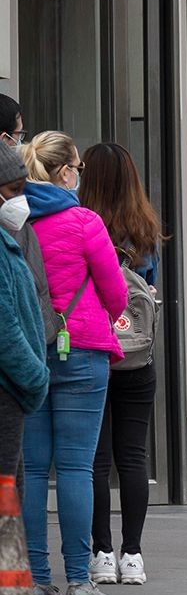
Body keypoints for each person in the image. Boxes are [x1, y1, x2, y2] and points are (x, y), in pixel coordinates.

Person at [20, 131, 128, 595]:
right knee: (78, 468)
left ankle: (37, 578)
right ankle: (80, 580)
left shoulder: (12, 220)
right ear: (65, 172)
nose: (80, 176)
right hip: (82, 350)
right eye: (78, 168)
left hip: (26, 354)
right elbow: (117, 294)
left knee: (33, 470)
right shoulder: (84, 221)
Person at [78, 142, 164, 586]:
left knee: (95, 460)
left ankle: (102, 553)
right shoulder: (145, 231)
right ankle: (134, 554)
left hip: (92, 353)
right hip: (137, 356)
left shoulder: (79, 224)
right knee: (133, 456)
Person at [0, 143, 49, 499]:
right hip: (8, 389)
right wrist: (35, 377)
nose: (22, 200)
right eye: (14, 191)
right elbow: (5, 327)